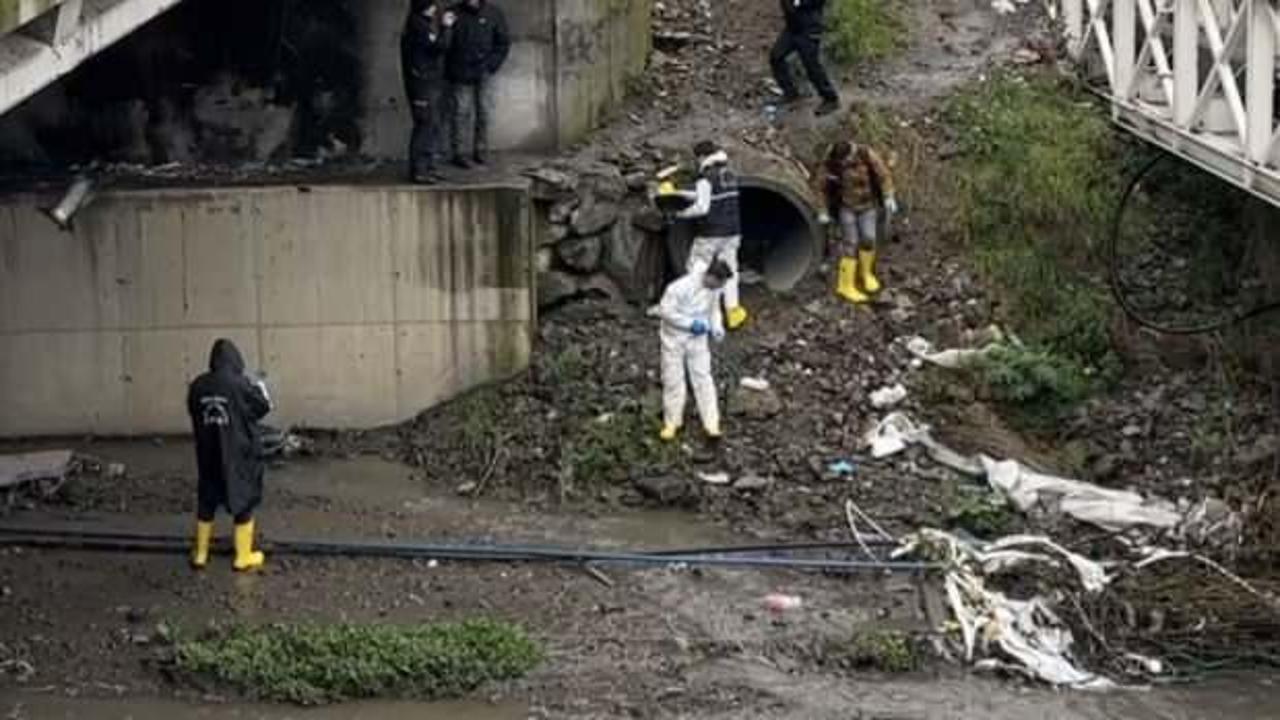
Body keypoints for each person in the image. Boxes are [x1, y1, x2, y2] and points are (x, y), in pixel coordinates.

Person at [187, 339, 273, 571]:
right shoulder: (240, 384)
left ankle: (201, 554)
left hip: (208, 453)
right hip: (238, 454)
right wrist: (260, 389)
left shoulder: (198, 385)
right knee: (243, 499)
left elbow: (193, 411)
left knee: (207, 500)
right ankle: (243, 556)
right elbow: (262, 407)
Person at [674, 141, 749, 330]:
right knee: (729, 271)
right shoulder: (730, 174)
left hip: (711, 233)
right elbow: (711, 195)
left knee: (696, 269)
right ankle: (733, 312)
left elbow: (702, 206)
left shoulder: (705, 178)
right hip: (732, 232)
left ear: (701, 157)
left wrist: (680, 213)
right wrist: (681, 193)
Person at [657, 258, 733, 442]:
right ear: (711, 277)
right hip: (674, 340)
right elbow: (665, 311)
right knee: (673, 379)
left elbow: (714, 310)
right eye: (719, 283)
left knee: (703, 378)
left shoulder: (713, 290)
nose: (720, 288)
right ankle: (672, 422)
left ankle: (711, 423)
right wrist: (690, 324)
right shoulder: (679, 287)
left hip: (698, 341)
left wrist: (717, 327)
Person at [814, 139, 898, 303]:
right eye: (842, 162)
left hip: (867, 205)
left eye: (847, 160)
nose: (845, 164)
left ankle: (866, 273)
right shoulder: (831, 161)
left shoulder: (865, 154)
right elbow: (820, 187)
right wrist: (822, 211)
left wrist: (888, 196)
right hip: (846, 207)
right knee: (851, 243)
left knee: (869, 238)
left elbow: (883, 175)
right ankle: (845, 285)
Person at [445, 0, 510, 168]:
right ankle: (460, 153)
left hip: (483, 72)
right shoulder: (453, 12)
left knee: (484, 112)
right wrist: (451, 67)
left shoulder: (493, 13)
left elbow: (502, 42)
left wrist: (491, 65)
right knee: (461, 113)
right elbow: (443, 43)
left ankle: (481, 151)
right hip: (460, 72)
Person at [401, 0, 454, 184]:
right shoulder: (418, 26)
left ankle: (428, 166)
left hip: (427, 81)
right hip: (422, 84)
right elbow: (439, 47)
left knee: (432, 125)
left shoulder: (420, 24)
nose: (435, 8)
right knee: (425, 125)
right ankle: (419, 170)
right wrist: (446, 28)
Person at [770, 0, 840, 117]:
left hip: (810, 28)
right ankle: (791, 93)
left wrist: (797, 3)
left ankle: (830, 99)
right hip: (792, 28)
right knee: (776, 57)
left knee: (811, 65)